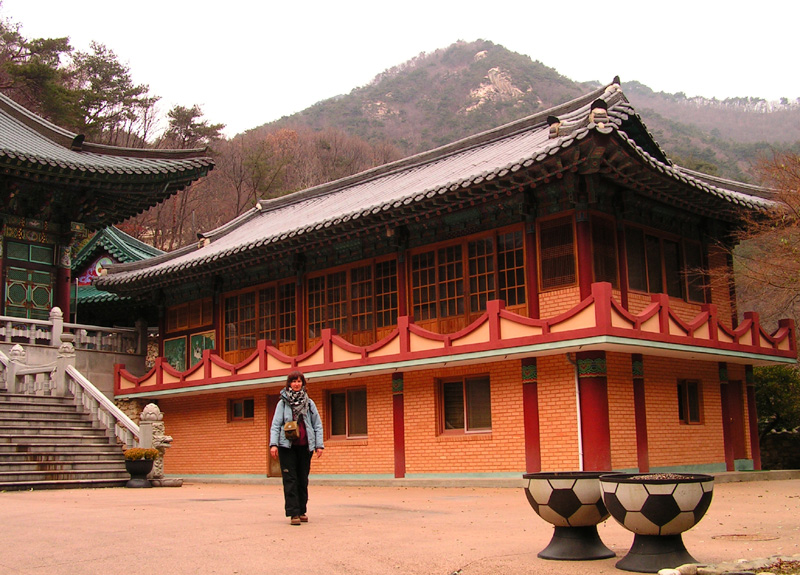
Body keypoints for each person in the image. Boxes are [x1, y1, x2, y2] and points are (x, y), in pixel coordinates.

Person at [269, 370, 324, 525]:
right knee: (290, 479)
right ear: (289, 384)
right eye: (293, 381)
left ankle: (302, 510)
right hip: (287, 446)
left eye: (299, 381)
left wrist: (319, 445)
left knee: (302, 479)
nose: (296, 384)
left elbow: (317, 425)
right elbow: (275, 425)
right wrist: (273, 444)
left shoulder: (309, 403)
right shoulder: (282, 403)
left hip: (305, 446)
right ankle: (293, 513)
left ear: (303, 383)